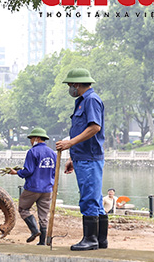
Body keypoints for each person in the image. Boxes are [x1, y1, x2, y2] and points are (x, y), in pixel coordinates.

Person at [55, 68, 107, 250]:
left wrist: (70, 144)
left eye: (70, 85)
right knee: (95, 198)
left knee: (88, 198)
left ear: (76, 84)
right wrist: (72, 156)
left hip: (89, 158)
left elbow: (94, 127)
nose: (70, 88)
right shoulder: (81, 102)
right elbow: (79, 130)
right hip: (82, 156)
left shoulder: (91, 100)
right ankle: (101, 240)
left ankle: (91, 239)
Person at [8, 128, 57, 245]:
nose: (30, 141)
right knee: (43, 216)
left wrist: (16, 172)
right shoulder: (52, 153)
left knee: (23, 209)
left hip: (33, 188)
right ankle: (42, 243)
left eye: (31, 139)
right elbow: (54, 172)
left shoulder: (32, 152)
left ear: (37, 138)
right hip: (47, 189)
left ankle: (34, 230)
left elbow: (28, 171)